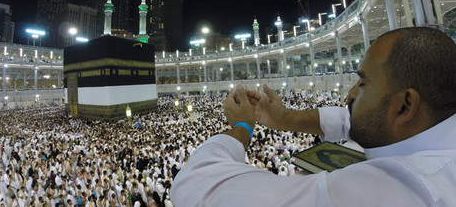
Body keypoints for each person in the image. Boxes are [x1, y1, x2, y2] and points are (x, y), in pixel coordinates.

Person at [171, 27, 456, 206]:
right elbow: (349, 120)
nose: (350, 93)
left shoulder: (403, 189)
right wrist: (284, 119)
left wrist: (242, 126)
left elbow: (199, 184)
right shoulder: (433, 130)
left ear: (405, 105)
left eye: (364, 83)